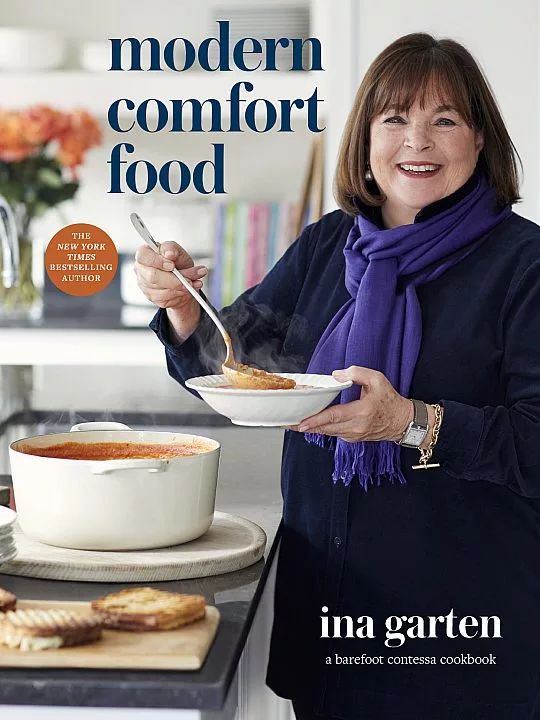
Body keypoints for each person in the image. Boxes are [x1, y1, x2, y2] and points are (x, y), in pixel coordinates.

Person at [135, 33, 540, 720]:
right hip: (332, 617)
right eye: (395, 119)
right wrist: (180, 306)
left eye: (444, 119)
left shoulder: (523, 265)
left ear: (480, 141)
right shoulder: (329, 242)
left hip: (465, 643)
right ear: (367, 138)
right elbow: (236, 362)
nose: (418, 141)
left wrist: (411, 423)